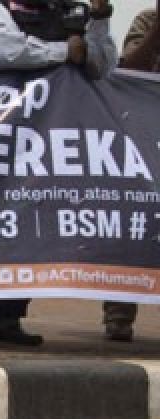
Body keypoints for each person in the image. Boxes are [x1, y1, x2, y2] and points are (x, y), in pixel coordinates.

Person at [0, 0, 117, 347]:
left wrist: (100, 20)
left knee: (33, 226)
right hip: (4, 136)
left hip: (49, 140)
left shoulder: (69, 13)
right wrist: (65, 50)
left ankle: (10, 316)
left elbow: (102, 64)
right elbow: (6, 52)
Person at [104, 3, 160, 342]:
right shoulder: (147, 21)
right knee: (134, 220)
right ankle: (119, 313)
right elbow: (128, 69)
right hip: (143, 135)